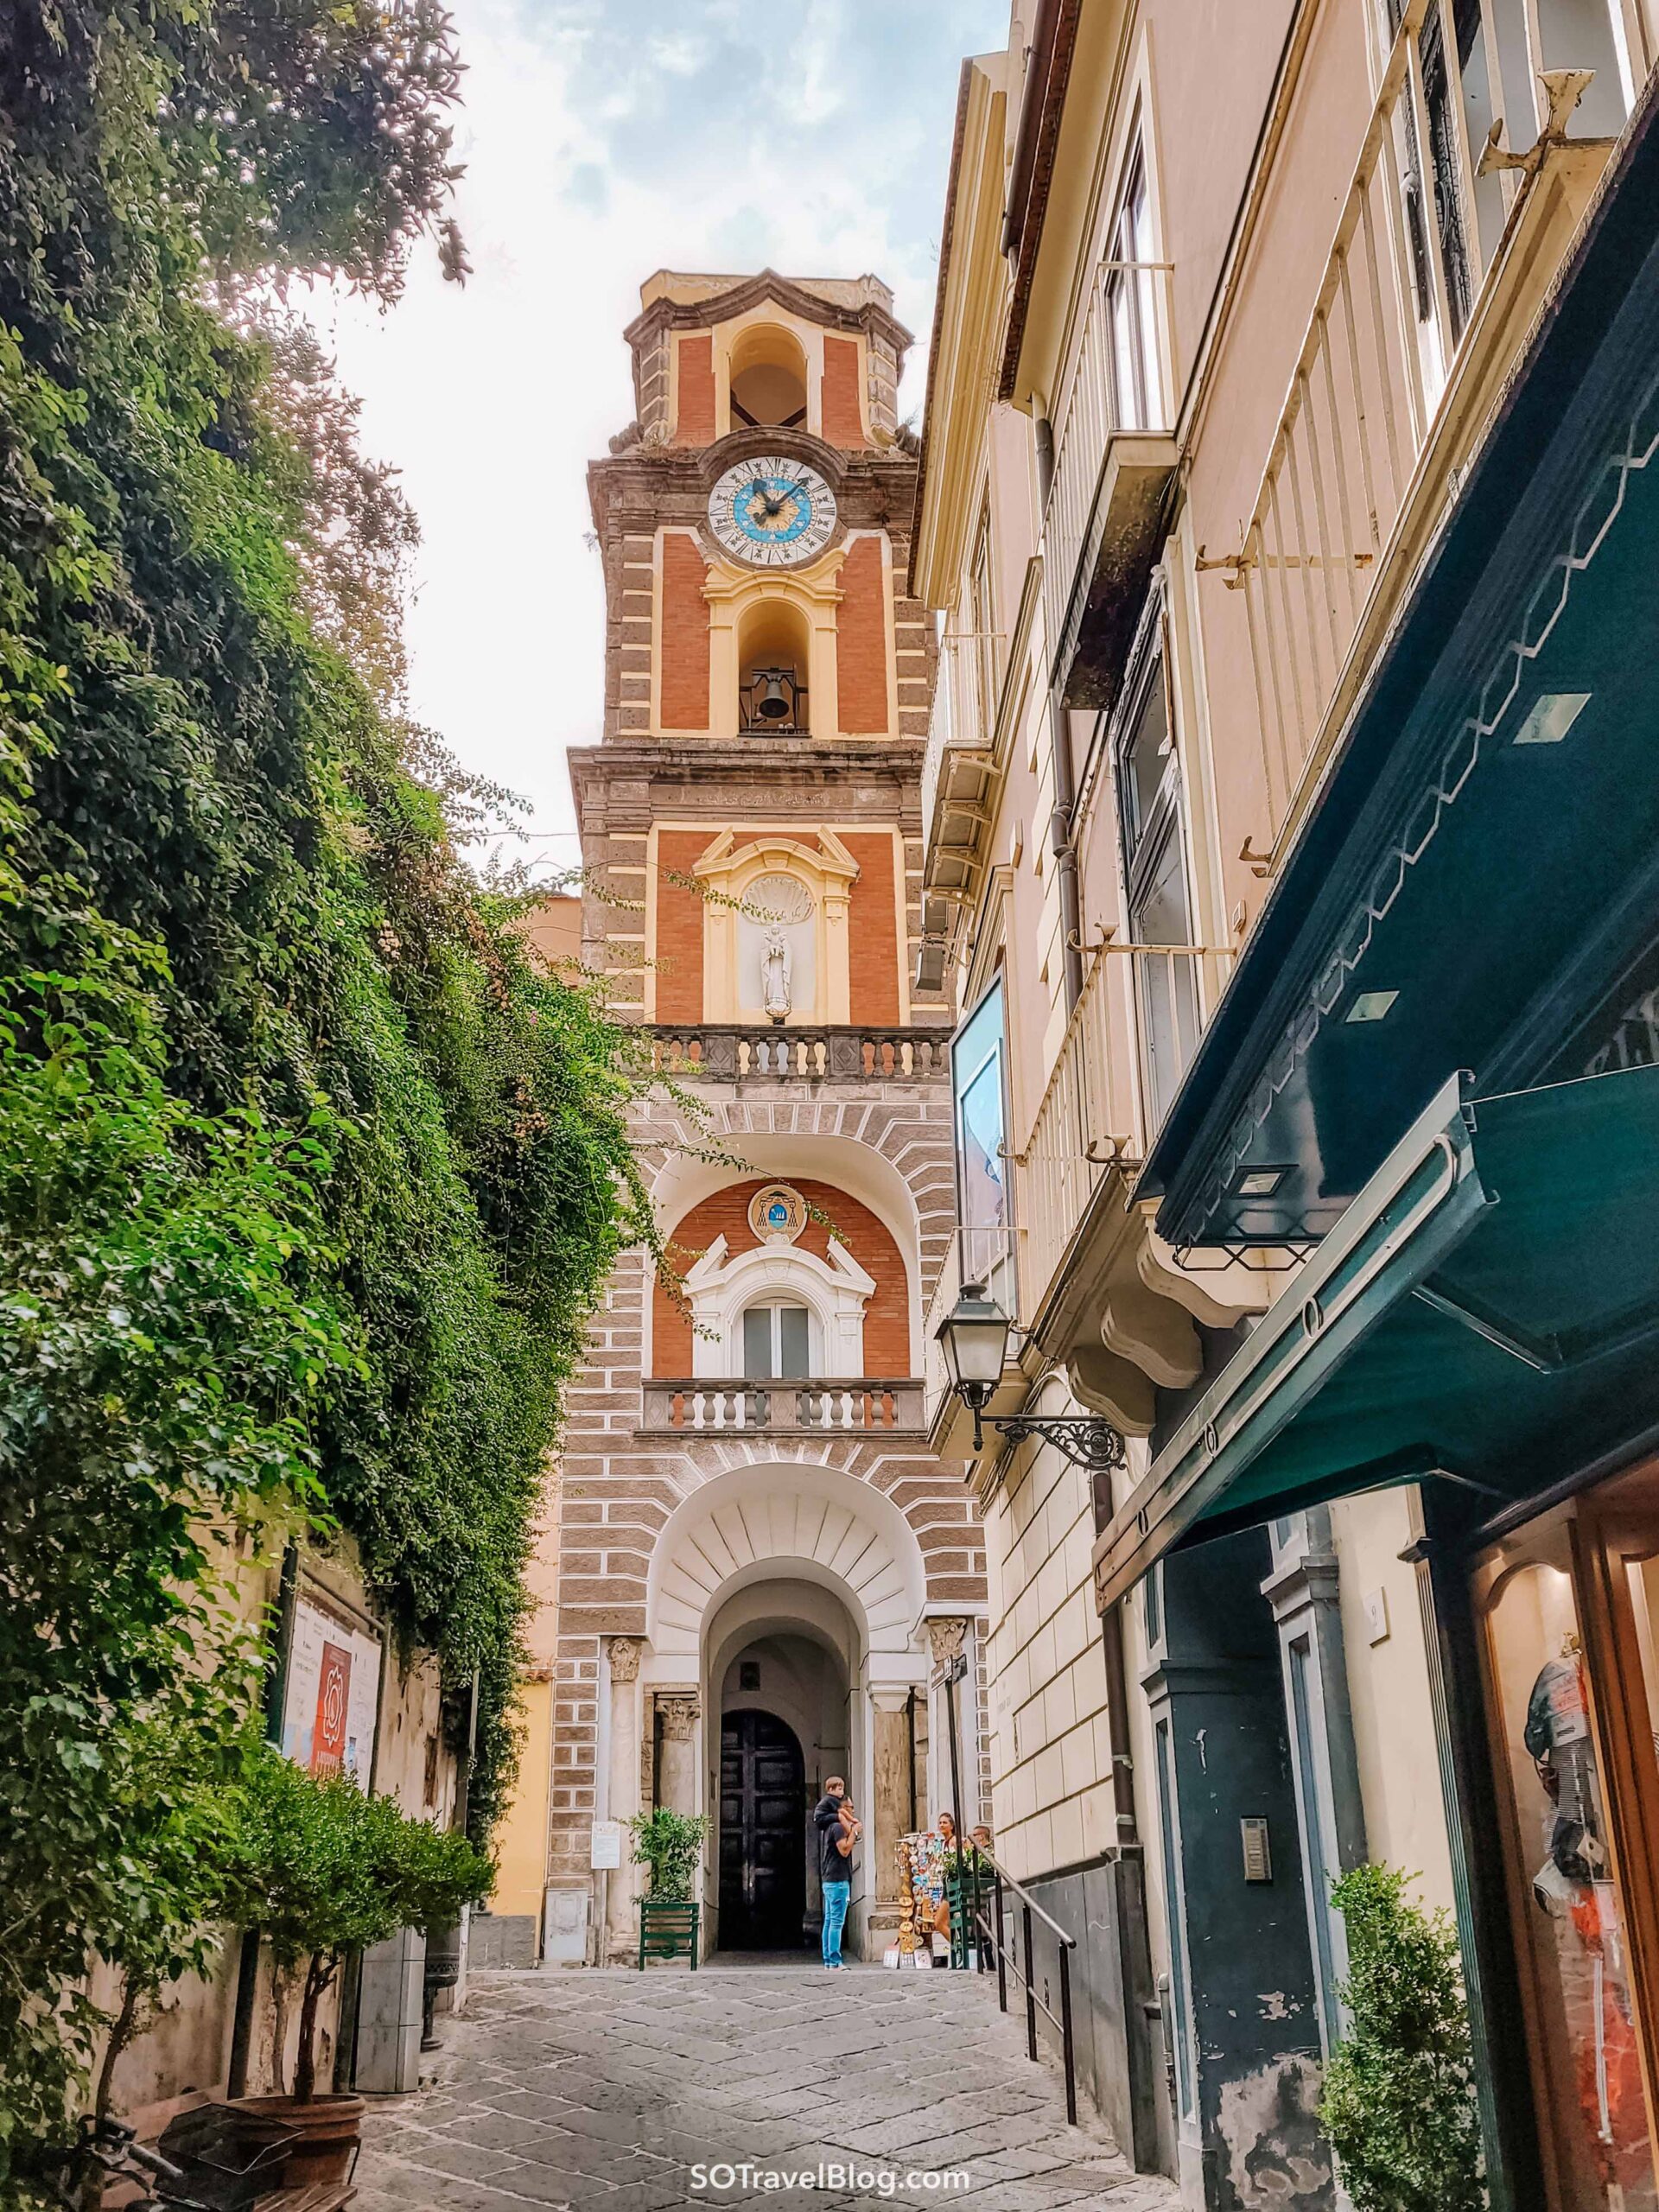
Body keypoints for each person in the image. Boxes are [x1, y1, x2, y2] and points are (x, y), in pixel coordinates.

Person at [813, 1777, 860, 1969]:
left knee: (829, 1920)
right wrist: (855, 1831)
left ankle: (828, 1960)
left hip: (828, 1879)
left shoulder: (830, 1827)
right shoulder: (837, 1827)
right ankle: (835, 1960)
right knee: (837, 1923)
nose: (852, 1812)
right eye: (851, 1809)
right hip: (838, 1879)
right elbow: (845, 1850)